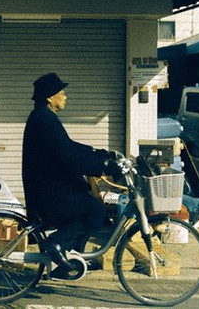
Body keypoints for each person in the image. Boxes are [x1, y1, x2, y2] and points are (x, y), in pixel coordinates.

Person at [22, 73, 121, 272]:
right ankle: (57, 244)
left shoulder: (44, 117)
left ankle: (73, 258)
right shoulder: (44, 120)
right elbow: (68, 156)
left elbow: (69, 147)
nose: (66, 96)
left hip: (48, 188)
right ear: (50, 97)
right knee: (95, 210)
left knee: (90, 201)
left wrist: (102, 155)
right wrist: (103, 166)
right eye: (62, 92)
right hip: (47, 195)